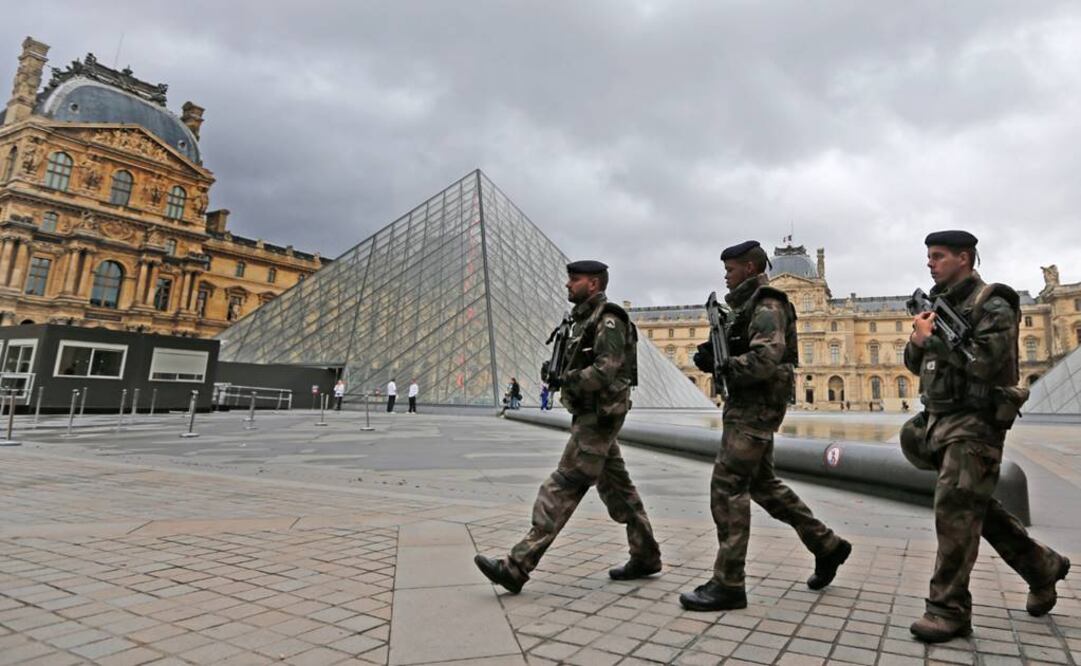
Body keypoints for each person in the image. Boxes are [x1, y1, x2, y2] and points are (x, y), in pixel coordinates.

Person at [901, 230, 1069, 643]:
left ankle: (948, 610)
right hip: (938, 420)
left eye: (938, 256)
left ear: (965, 258)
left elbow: (985, 363)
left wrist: (936, 341)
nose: (930, 263)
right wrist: (918, 340)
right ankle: (1041, 566)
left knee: (955, 508)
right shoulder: (939, 304)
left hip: (976, 421)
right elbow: (914, 363)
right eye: (929, 256)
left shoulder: (993, 303)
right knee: (970, 504)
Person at [680, 240, 851, 612]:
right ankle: (827, 545)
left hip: (755, 407)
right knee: (763, 485)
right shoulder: (747, 307)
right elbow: (750, 350)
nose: (726, 276)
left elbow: (765, 360)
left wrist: (725, 366)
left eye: (731, 269)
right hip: (751, 405)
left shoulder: (767, 305)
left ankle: (728, 584)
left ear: (750, 267)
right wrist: (715, 352)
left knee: (727, 487)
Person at [475, 260, 662, 594]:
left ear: (594, 284)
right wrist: (555, 370)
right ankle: (646, 555)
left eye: (574, 279)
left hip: (599, 416)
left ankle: (516, 566)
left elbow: (605, 371)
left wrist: (567, 378)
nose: (567, 284)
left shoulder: (608, 320)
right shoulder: (581, 320)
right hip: (592, 413)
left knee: (563, 485)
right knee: (618, 489)